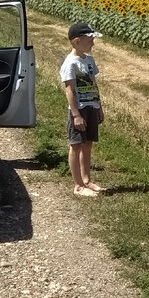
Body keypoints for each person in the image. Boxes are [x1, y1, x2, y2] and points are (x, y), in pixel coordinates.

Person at [60, 21, 104, 197]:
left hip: (91, 105)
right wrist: (76, 114)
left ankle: (87, 179)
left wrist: (99, 106)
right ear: (77, 42)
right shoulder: (70, 63)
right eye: (90, 40)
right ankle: (78, 185)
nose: (93, 43)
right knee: (76, 144)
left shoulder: (89, 60)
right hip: (79, 109)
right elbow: (69, 90)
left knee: (88, 143)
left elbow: (93, 84)